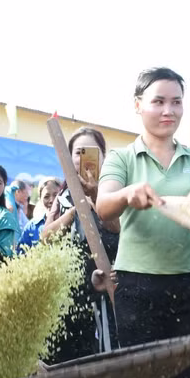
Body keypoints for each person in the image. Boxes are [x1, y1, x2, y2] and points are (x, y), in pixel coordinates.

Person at [97, 67, 190, 378]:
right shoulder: (122, 158)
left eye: (176, 102)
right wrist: (128, 194)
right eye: (158, 101)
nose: (169, 110)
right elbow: (103, 205)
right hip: (138, 289)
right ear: (138, 106)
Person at [42, 127, 119, 364]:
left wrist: (94, 196)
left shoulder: (114, 190)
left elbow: (118, 227)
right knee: (69, 359)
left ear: (103, 156)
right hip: (69, 294)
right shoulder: (62, 197)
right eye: (78, 152)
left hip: (107, 292)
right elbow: (46, 237)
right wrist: (75, 210)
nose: (83, 157)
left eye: (92, 151)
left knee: (105, 358)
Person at [18, 176, 61, 251]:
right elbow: (20, 255)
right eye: (46, 197)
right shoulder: (32, 226)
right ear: (40, 200)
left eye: (56, 195)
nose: (52, 200)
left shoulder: (72, 222)